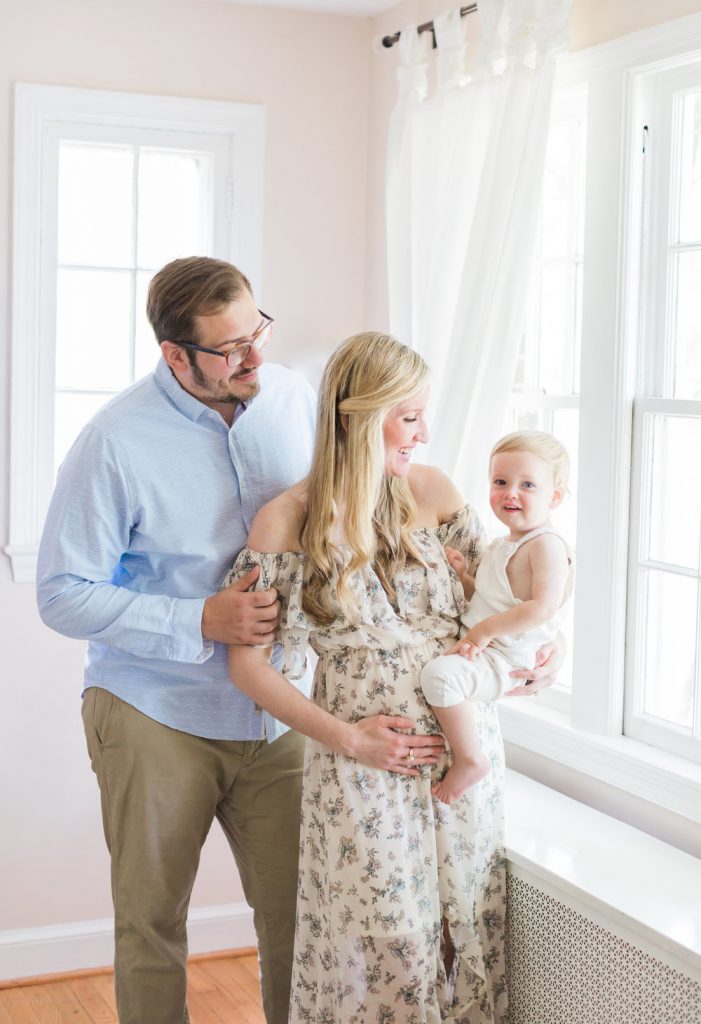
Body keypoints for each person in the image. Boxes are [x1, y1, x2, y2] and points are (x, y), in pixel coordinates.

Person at [35, 258, 444, 1024]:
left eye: (257, 330)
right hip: (155, 712)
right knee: (151, 922)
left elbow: (364, 503)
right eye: (229, 348)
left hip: (284, 711)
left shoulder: (293, 401)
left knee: (302, 920)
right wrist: (197, 619)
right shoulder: (114, 442)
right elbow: (60, 593)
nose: (254, 356)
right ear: (175, 355)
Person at [226, 334, 562, 1024]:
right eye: (408, 416)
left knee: (457, 935)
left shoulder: (432, 491)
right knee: (391, 951)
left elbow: (505, 584)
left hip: (459, 749)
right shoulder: (287, 522)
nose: (423, 432)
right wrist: (349, 740)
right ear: (359, 413)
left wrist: (547, 644)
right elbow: (249, 667)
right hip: (362, 771)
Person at [420, 431, 574, 804]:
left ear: (554, 496)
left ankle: (471, 759)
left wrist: (484, 633)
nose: (511, 493)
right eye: (500, 482)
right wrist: (464, 577)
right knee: (442, 674)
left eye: (527, 485)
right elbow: (491, 601)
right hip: (488, 646)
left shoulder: (546, 546)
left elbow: (543, 608)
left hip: (506, 658)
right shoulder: (504, 542)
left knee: (438, 676)